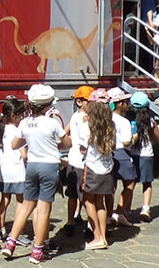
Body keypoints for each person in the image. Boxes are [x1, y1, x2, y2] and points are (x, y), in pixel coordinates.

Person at [1, 84, 71, 264]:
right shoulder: (52, 123)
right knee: (43, 210)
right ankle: (38, 250)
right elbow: (65, 144)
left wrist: (31, 140)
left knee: (26, 206)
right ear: (48, 105)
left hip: (31, 166)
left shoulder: (25, 123)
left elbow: (15, 144)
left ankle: (10, 243)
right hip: (48, 167)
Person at [79, 99, 116, 250]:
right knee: (100, 202)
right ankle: (103, 236)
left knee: (88, 201)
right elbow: (114, 146)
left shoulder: (86, 126)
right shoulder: (111, 126)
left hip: (92, 168)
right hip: (107, 167)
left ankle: (97, 237)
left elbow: (82, 149)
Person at [0, 96, 30, 246]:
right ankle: (18, 232)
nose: (22, 117)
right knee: (21, 202)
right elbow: (24, 155)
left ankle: (1, 228)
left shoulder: (1, 131)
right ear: (14, 116)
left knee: (5, 199)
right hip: (18, 171)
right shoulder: (18, 132)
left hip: (4, 171)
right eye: (21, 115)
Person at [63, 86, 94, 236]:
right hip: (83, 162)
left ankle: (71, 221)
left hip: (72, 160)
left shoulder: (75, 116)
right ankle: (90, 226)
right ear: (79, 102)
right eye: (90, 100)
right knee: (86, 196)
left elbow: (64, 132)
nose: (93, 103)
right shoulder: (85, 119)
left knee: (73, 195)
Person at [130, 91, 159, 222]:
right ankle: (145, 208)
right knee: (147, 182)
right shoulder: (150, 121)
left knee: (130, 183)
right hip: (146, 154)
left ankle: (127, 209)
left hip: (132, 154)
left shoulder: (128, 120)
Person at [107, 87, 138, 226]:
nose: (128, 104)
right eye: (126, 101)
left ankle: (108, 214)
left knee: (110, 186)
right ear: (120, 104)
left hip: (109, 153)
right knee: (130, 183)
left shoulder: (106, 118)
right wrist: (134, 138)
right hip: (122, 153)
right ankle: (118, 212)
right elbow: (126, 141)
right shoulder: (124, 121)